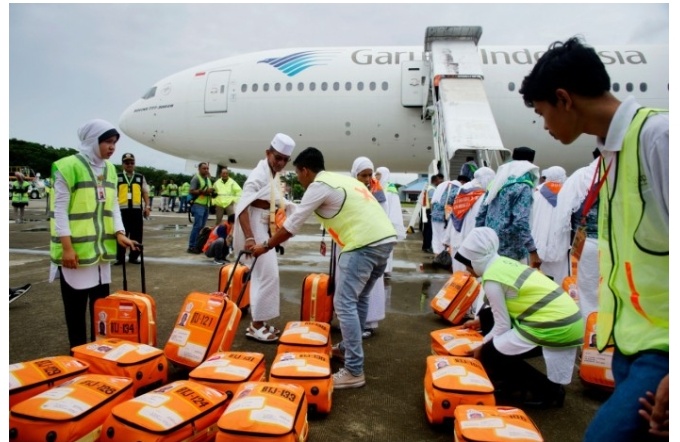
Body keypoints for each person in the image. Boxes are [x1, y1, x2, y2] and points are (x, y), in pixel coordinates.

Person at [519, 37, 668, 440]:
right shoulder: (612, 154)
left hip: (664, 349)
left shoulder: (660, 137)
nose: (544, 126)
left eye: (542, 113)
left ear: (564, 99)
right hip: (629, 344)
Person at [250, 147, 397, 390]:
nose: (298, 178)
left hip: (362, 244)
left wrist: (265, 245)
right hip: (385, 241)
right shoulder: (342, 180)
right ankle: (349, 350)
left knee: (345, 303)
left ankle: (353, 370)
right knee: (359, 300)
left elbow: (291, 226)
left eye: (297, 173)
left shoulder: (318, 186)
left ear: (305, 171)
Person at [456, 227, 583, 408]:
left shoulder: (492, 279)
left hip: (555, 325)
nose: (467, 270)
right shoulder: (502, 263)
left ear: (476, 260)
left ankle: (550, 392)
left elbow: (502, 326)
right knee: (486, 316)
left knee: (492, 353)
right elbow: (500, 311)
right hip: (566, 320)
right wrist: (480, 322)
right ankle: (512, 381)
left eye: (468, 264)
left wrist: (482, 346)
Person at [49, 119, 139, 348]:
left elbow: (113, 206)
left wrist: (119, 232)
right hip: (76, 254)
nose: (112, 147)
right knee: (76, 313)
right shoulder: (67, 167)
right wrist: (67, 248)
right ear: (92, 141)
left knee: (101, 312)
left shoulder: (110, 169)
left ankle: (97, 355)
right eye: (108, 142)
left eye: (115, 143)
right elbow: (59, 212)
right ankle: (78, 354)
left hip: (101, 254)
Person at [233, 133, 296, 343]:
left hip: (267, 227)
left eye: (284, 160)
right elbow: (242, 207)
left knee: (266, 276)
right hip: (256, 228)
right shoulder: (258, 175)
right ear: (268, 153)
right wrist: (250, 238)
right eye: (277, 157)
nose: (280, 163)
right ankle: (256, 326)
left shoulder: (272, 174)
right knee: (267, 275)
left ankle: (260, 321)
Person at [476, 147, 541, 268]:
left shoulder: (497, 182)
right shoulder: (523, 186)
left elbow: (481, 213)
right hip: (512, 251)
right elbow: (521, 221)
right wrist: (532, 250)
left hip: (490, 244)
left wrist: (480, 238)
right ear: (530, 164)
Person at [553, 158, 600, 320]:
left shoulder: (580, 176)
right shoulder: (621, 174)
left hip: (584, 239)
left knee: (587, 290)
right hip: (615, 243)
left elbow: (566, 211)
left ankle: (589, 331)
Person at [350, 157, 387, 338]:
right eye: (362, 175)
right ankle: (353, 324)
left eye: (369, 175)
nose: (366, 179)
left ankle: (367, 323)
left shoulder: (378, 192)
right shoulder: (350, 189)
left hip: (372, 245)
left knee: (366, 290)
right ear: (354, 175)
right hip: (353, 243)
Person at [450, 167, 495, 273]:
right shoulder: (482, 195)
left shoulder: (462, 191)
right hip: (471, 239)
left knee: (458, 273)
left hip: (457, 236)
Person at [530, 166, 568, 283]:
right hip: (560, 240)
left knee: (540, 275)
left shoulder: (536, 192)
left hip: (538, 240)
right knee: (560, 273)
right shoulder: (567, 192)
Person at [115, 153, 150, 265]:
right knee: (122, 233)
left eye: (132, 163)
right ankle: (120, 258)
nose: (129, 165)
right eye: (127, 163)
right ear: (123, 164)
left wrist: (147, 206)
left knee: (137, 235)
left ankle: (134, 257)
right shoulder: (117, 177)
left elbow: (145, 192)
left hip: (136, 210)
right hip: (121, 210)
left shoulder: (140, 177)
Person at [375, 166, 406, 279]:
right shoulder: (376, 187)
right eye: (376, 174)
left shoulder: (391, 189)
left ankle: (386, 270)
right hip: (377, 223)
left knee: (387, 247)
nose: (376, 176)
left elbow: (395, 208)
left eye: (378, 174)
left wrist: (392, 225)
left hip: (388, 223)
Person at [187, 163, 215, 253]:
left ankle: (198, 246)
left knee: (202, 227)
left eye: (207, 168)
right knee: (197, 226)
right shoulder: (196, 178)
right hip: (198, 204)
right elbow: (191, 191)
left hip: (206, 205)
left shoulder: (208, 179)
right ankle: (191, 246)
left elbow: (209, 190)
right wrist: (204, 191)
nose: (206, 170)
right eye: (204, 168)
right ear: (199, 169)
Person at [430, 178, 461, 256]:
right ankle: (443, 257)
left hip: (435, 215)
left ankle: (436, 255)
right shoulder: (455, 187)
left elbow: (434, 201)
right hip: (444, 217)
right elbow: (450, 201)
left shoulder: (441, 186)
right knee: (444, 237)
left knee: (436, 236)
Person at [421, 174, 443, 253]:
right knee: (429, 230)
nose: (440, 181)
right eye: (438, 180)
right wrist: (433, 212)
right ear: (435, 180)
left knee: (426, 229)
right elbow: (431, 202)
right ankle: (427, 246)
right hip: (429, 211)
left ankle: (425, 246)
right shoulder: (432, 189)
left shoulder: (428, 187)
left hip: (425, 210)